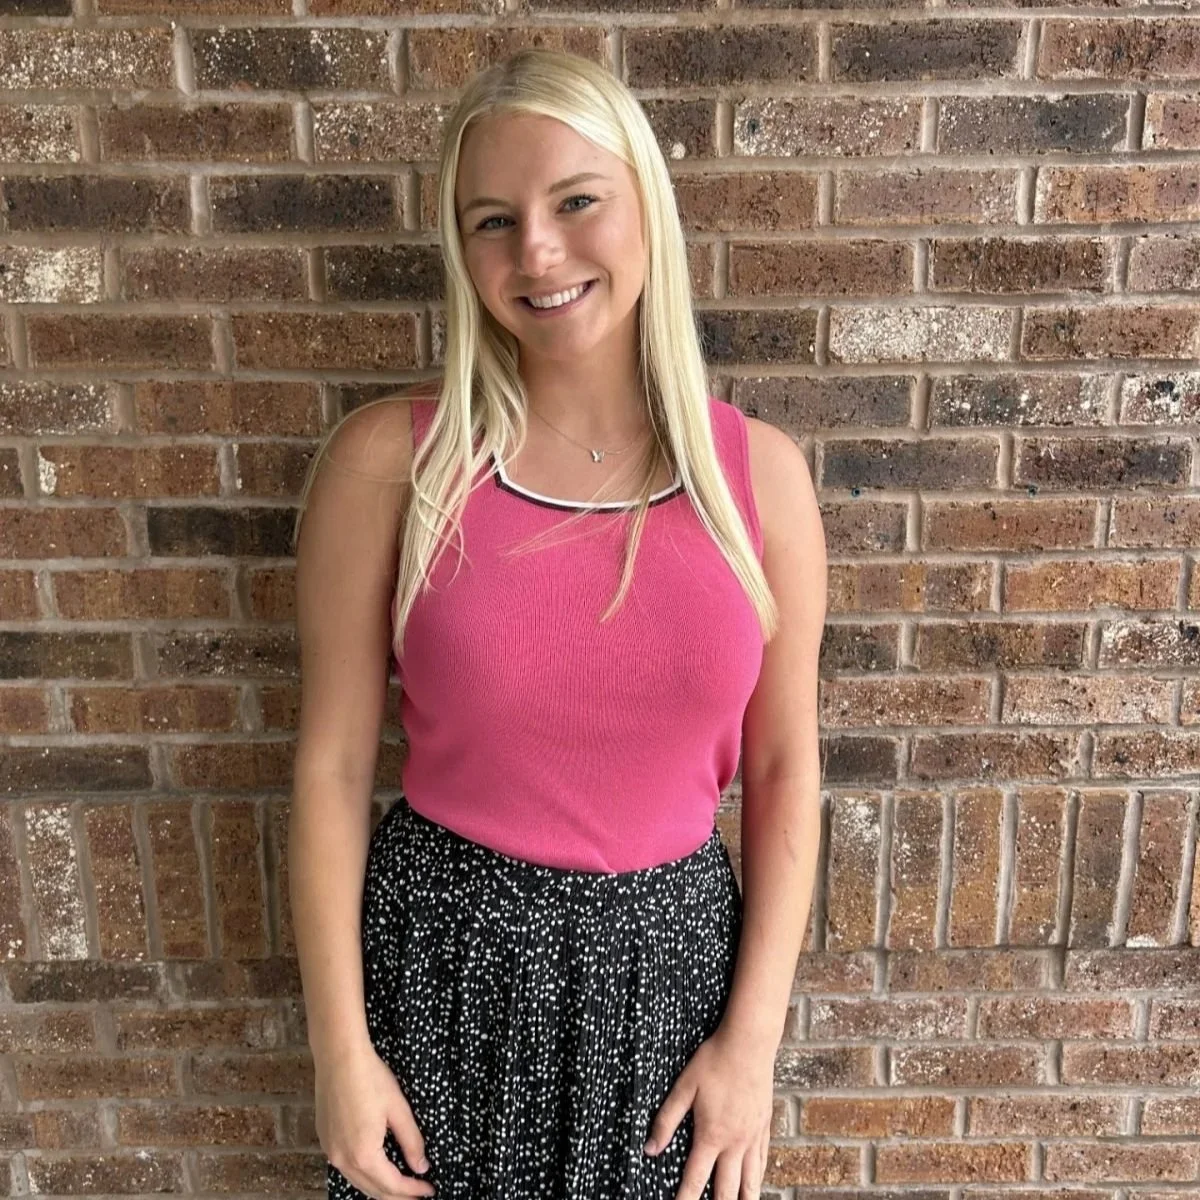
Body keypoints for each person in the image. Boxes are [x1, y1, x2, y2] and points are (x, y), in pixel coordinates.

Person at [289, 47, 826, 1200]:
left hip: (671, 990)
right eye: (493, 220)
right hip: (444, 971)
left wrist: (752, 1043)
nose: (535, 252)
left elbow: (785, 771)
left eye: (576, 201)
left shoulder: (760, 481)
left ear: (645, 205)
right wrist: (339, 1051)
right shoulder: (394, 465)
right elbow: (332, 766)